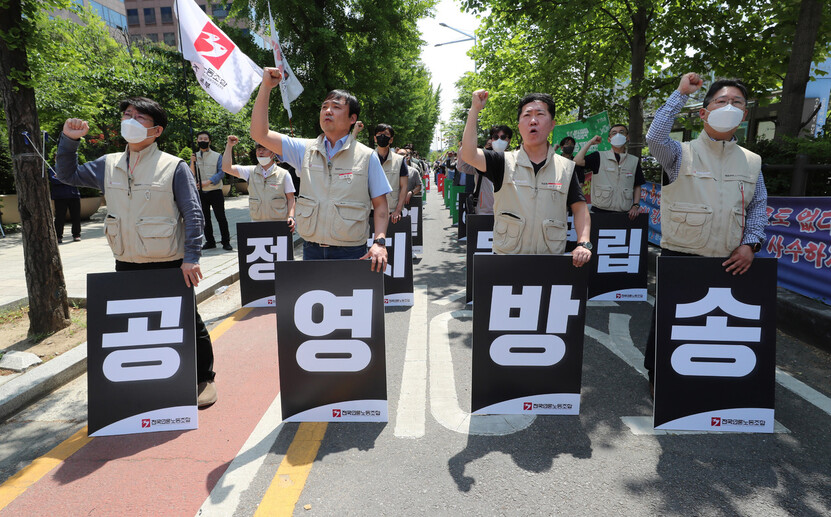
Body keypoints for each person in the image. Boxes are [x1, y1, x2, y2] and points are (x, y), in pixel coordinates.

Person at [56, 97, 218, 407]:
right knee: (136, 321)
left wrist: (192, 257)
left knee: (186, 320)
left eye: (139, 117)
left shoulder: (174, 166)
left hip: (168, 262)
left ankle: (204, 378)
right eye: (127, 114)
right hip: (126, 261)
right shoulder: (108, 163)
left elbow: (193, 213)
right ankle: (147, 379)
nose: (130, 120)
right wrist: (69, 141)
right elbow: (67, 175)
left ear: (156, 130)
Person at [642, 72, 769, 393]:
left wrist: (751, 244)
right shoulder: (679, 153)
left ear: (745, 114)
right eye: (722, 101)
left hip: (729, 258)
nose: (730, 106)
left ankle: (709, 379)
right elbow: (654, 137)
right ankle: (660, 378)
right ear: (704, 112)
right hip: (682, 255)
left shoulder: (752, 161)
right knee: (673, 321)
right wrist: (680, 94)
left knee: (715, 325)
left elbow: (757, 206)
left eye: (737, 102)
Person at [250, 67, 390, 270]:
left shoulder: (367, 156)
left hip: (351, 252)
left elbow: (381, 206)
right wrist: (266, 87)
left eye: (336, 107)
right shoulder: (304, 150)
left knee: (347, 302)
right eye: (324, 106)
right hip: (312, 249)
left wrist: (379, 242)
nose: (328, 111)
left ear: (352, 118)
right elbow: (259, 133)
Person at [460, 90, 592, 266]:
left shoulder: (567, 168)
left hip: (551, 261)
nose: (533, 120)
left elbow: (580, 209)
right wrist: (474, 110)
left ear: (552, 124)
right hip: (507, 260)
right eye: (527, 115)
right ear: (519, 124)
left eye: (540, 114)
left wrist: (583, 243)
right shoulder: (502, 161)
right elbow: (468, 155)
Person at [222, 136, 296, 227]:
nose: (260, 152)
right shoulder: (250, 172)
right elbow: (226, 168)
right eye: (258, 149)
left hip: (279, 224)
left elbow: (291, 198)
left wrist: (291, 217)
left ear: (273, 152)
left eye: (264, 149)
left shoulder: (283, 174)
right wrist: (229, 146)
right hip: (256, 225)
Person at [574, 125, 645, 220]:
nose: (618, 135)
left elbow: (637, 185)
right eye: (614, 133)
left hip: (624, 214)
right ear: (609, 139)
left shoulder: (634, 161)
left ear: (627, 137)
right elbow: (577, 161)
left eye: (621, 132)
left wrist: (635, 206)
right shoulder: (599, 156)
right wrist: (590, 143)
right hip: (599, 212)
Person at [191, 131, 232, 251]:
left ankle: (226, 242)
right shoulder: (195, 156)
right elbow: (191, 173)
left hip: (215, 191)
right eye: (200, 139)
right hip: (200, 192)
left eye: (205, 139)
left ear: (209, 141)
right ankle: (210, 241)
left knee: (221, 217)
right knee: (204, 218)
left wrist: (208, 182)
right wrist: (192, 161)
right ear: (197, 141)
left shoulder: (217, 156)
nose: (203, 141)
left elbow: (221, 172)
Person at [374, 124, 409, 224]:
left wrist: (398, 210)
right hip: (371, 210)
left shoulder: (399, 160)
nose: (382, 137)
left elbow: (404, 186)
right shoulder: (367, 158)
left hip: (393, 211)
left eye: (385, 134)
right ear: (375, 138)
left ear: (391, 139)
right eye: (379, 134)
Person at [49, 167, 82, 243]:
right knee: (60, 217)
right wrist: (67, 179)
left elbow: (76, 179)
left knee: (76, 216)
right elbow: (54, 180)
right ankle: (58, 236)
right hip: (60, 196)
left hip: (74, 195)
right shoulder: (52, 169)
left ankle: (76, 234)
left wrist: (60, 178)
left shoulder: (72, 168)